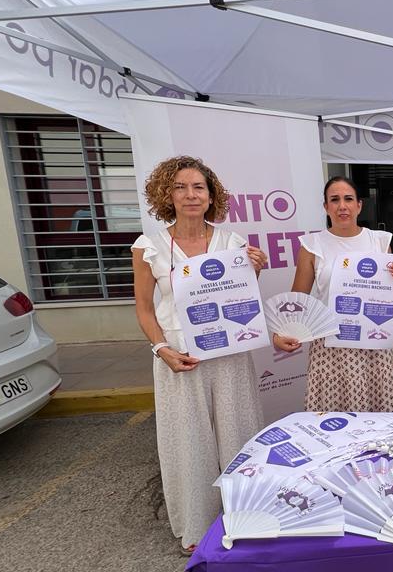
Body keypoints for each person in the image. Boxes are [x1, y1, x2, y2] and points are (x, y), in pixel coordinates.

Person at [130, 155, 268, 554]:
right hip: (179, 356)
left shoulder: (232, 242)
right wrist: (161, 350)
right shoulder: (149, 246)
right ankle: (196, 527)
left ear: (211, 196)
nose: (190, 195)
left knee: (238, 437)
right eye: (180, 187)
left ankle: (245, 517)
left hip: (229, 351)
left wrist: (253, 269)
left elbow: (242, 299)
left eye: (198, 188)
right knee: (188, 442)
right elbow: (143, 307)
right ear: (166, 195)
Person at [272, 176, 393, 411]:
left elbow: (392, 296)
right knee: (333, 420)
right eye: (334, 200)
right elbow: (299, 298)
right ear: (326, 207)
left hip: (373, 344)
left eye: (348, 199)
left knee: (378, 419)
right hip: (330, 348)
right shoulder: (312, 245)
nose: (342, 206)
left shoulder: (379, 242)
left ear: (359, 205)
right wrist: (280, 333)